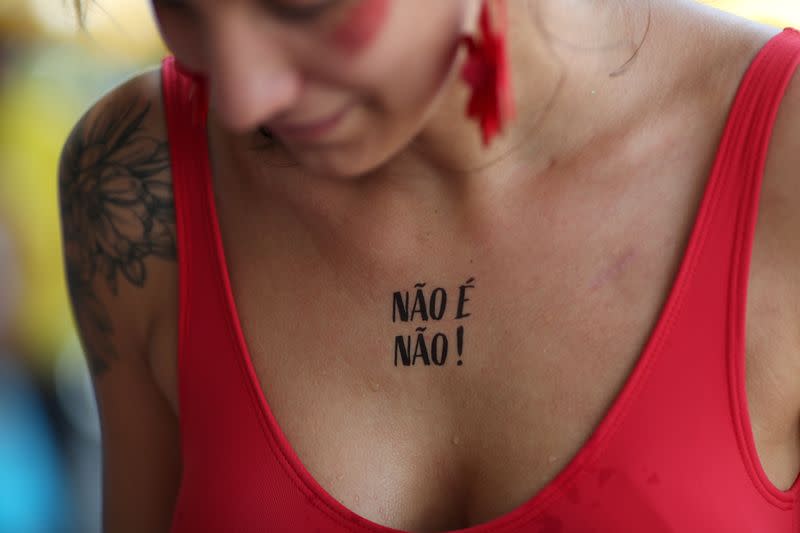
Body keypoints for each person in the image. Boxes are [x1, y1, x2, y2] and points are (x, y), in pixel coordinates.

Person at [58, 0, 800, 531]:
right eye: (184, 5)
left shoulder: (782, 159)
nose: (244, 97)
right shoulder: (135, 176)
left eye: (299, 5)